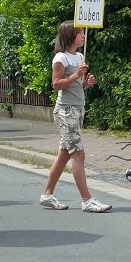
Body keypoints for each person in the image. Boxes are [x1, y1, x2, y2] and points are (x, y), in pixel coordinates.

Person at [39, 20, 112, 213]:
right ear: (70, 35)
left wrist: (86, 82)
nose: (83, 36)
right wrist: (74, 76)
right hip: (65, 111)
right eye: (80, 33)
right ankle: (87, 200)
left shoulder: (79, 56)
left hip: (77, 109)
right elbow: (56, 84)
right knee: (78, 154)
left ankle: (47, 194)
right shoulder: (60, 59)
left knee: (65, 154)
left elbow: (77, 86)